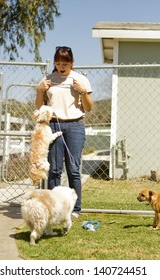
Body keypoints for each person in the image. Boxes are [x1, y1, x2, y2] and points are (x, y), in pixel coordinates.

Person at [36, 46, 93, 218]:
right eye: (58, 63)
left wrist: (83, 92)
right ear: (54, 63)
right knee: (54, 169)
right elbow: (40, 107)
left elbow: (89, 108)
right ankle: (54, 208)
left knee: (73, 170)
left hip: (75, 126)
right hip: (54, 125)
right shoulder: (48, 79)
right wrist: (40, 90)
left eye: (65, 64)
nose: (61, 67)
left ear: (72, 63)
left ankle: (75, 209)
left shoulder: (80, 79)